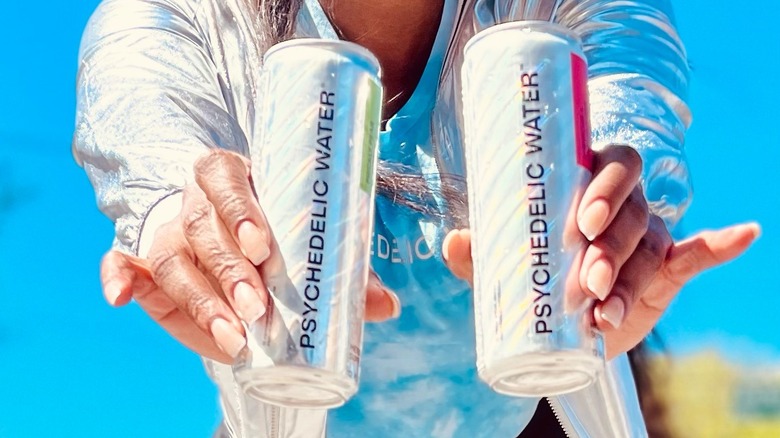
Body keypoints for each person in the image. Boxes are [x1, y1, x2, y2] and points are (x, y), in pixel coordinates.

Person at [73, 0, 759, 436]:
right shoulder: (172, 17)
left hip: (538, 422)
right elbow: (146, 135)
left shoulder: (572, 10)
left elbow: (627, 101)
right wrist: (178, 226)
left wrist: (611, 237)